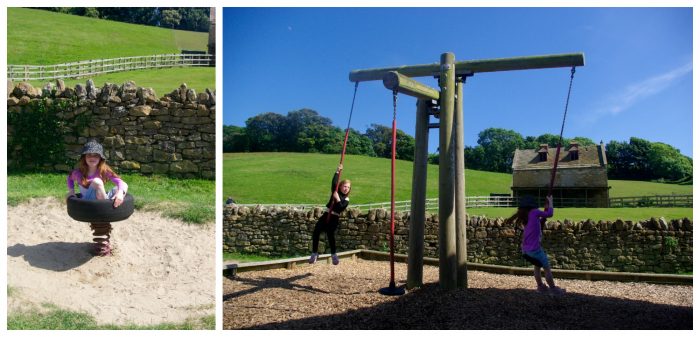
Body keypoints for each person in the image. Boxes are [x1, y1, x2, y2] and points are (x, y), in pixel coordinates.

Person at [66, 139, 128, 256]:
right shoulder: (78, 173)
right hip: (88, 201)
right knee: (97, 181)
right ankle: (106, 206)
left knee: (119, 188)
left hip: (101, 199)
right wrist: (71, 191)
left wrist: (120, 194)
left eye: (96, 155)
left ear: (100, 158)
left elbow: (122, 183)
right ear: (84, 157)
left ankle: (107, 206)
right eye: (89, 155)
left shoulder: (104, 171)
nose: (92, 157)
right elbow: (69, 178)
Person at [507, 195, 565, 295]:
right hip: (535, 250)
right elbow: (550, 214)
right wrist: (551, 202)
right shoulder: (534, 212)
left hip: (525, 251)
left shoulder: (525, 218)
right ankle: (553, 289)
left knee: (537, 266)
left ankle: (540, 287)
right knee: (546, 268)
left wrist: (545, 207)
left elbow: (538, 223)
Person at [309, 164, 351, 265]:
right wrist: (337, 171)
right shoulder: (335, 191)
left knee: (330, 235)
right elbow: (334, 183)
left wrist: (336, 199)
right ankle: (314, 253)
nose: (346, 189)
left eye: (348, 187)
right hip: (326, 214)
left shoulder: (346, 199)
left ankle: (333, 254)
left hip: (334, 218)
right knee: (316, 231)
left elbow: (340, 207)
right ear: (340, 186)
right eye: (345, 186)